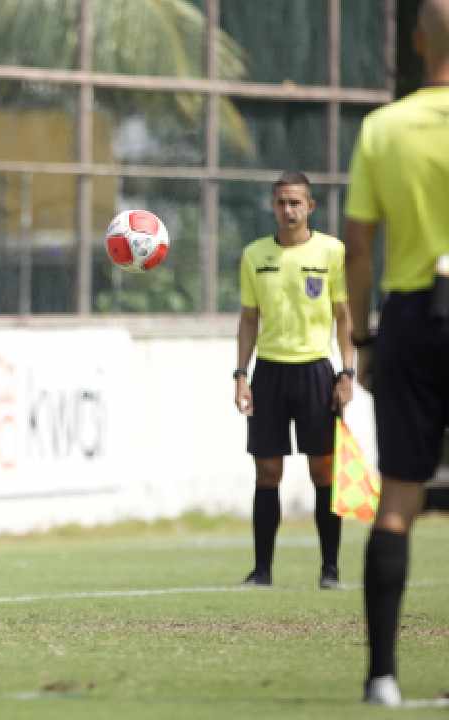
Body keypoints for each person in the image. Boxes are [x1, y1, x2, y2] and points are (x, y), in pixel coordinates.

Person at [343, 0, 449, 706]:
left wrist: (364, 340)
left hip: (413, 314)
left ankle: (382, 676)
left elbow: (357, 245)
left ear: (416, 41)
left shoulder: (383, 128)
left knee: (398, 500)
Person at [234, 171, 354, 589]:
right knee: (267, 472)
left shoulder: (331, 252)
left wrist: (346, 373)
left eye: (296, 202)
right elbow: (249, 319)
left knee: (323, 471)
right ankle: (262, 570)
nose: (288, 210)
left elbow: (344, 318)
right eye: (282, 202)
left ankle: (330, 569)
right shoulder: (254, 255)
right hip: (269, 371)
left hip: (316, 371)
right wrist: (241, 375)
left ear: (310, 207)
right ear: (273, 206)